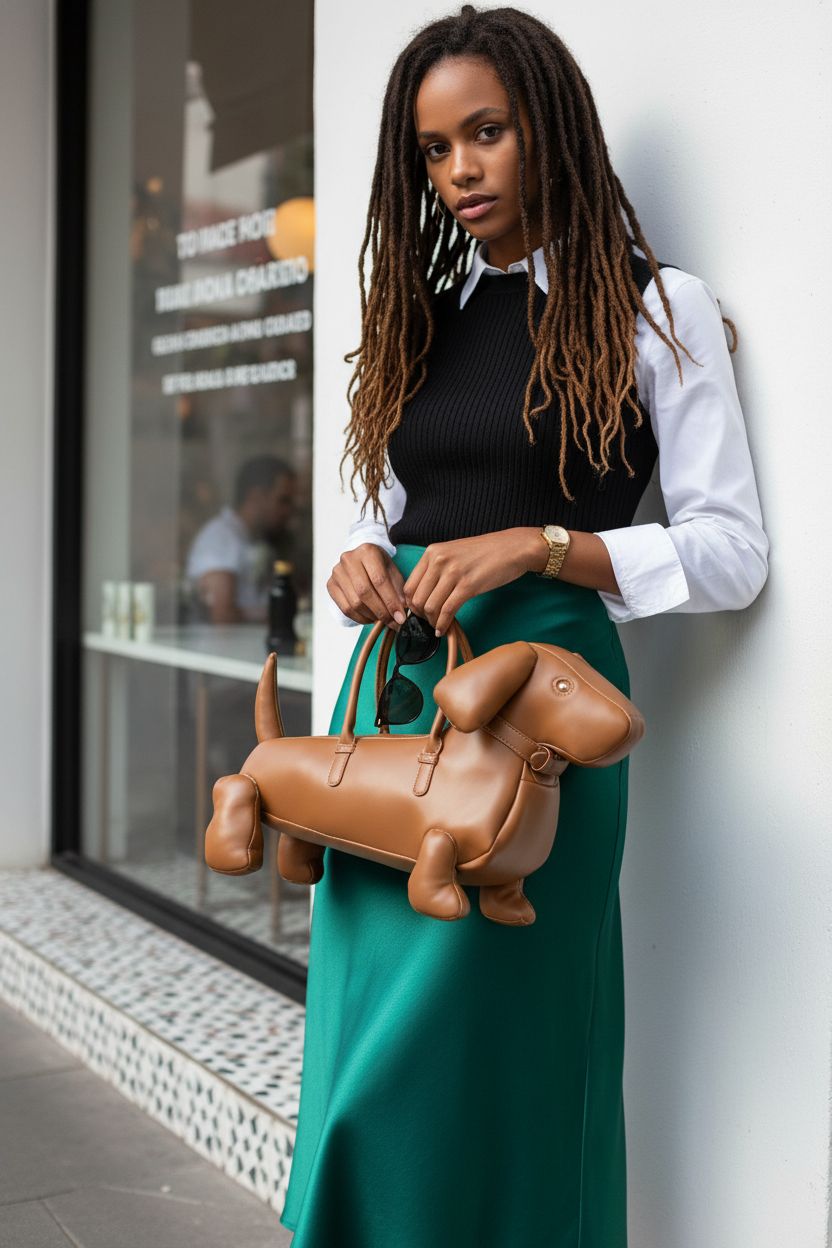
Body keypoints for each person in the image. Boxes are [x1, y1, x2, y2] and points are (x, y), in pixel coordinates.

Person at [279, 7, 769, 1246]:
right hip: (391, 703)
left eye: (485, 134)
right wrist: (357, 566)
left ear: (548, 125)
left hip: (539, 715)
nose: (460, 173)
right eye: (435, 153)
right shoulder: (418, 322)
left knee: (497, 1052)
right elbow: (392, 516)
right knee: (365, 1061)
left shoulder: (660, 312)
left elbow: (730, 552)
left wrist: (546, 543)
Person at [184, 455, 297, 624]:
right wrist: (279, 613)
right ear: (257, 497)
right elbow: (222, 614)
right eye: (283, 500)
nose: (288, 511)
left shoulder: (251, 537)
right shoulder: (220, 538)